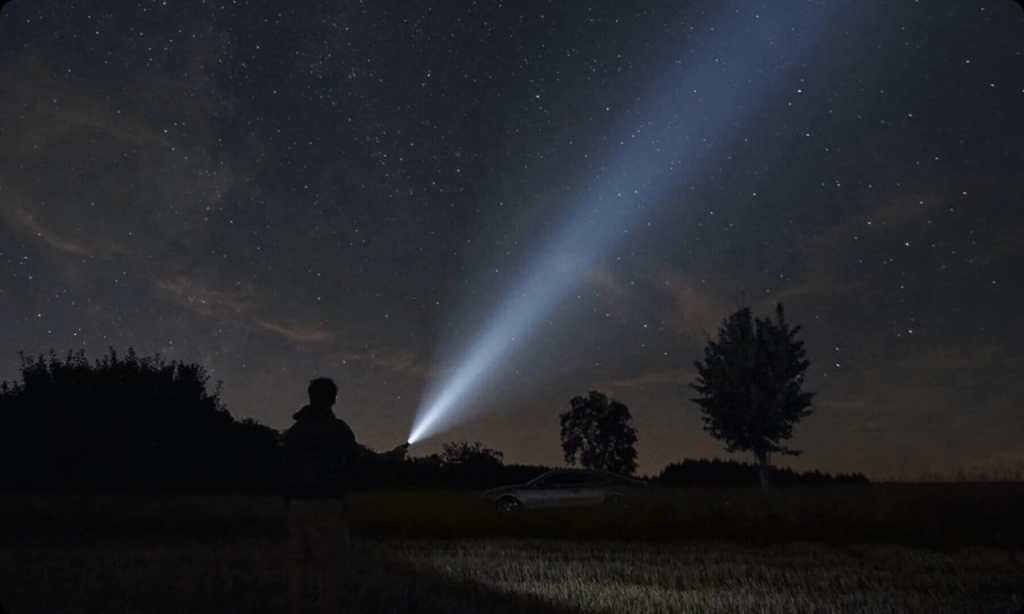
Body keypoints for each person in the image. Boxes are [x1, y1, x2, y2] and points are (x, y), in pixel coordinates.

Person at [283, 376, 406, 613]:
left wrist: (288, 501)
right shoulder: (338, 430)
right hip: (328, 505)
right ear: (333, 399)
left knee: (299, 567)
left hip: (297, 505)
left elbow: (285, 469)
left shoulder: (295, 431)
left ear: (310, 396)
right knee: (329, 568)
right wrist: (391, 458)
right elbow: (359, 462)